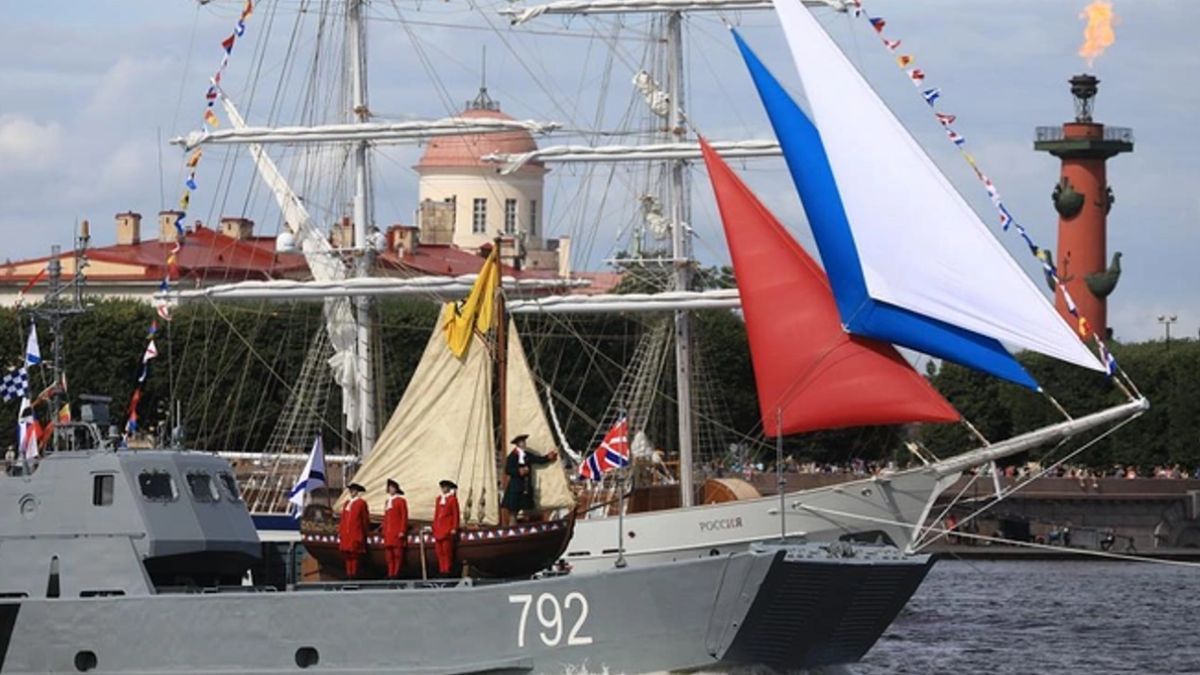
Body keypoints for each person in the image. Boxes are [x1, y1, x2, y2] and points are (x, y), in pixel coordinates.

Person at [500, 434, 559, 525]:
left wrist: (547, 457)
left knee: (527, 510)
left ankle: (526, 527)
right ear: (517, 444)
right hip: (515, 487)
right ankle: (512, 528)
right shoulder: (512, 456)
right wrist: (519, 471)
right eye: (522, 442)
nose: (524, 443)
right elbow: (508, 470)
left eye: (524, 442)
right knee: (513, 512)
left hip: (525, 487)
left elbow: (538, 459)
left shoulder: (527, 455)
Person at [338, 483, 370, 579]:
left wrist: (364, 531)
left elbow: (364, 519)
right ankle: (349, 573)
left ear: (357, 491)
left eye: (354, 490)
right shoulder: (347, 503)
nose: (352, 492)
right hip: (346, 533)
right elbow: (343, 519)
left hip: (355, 532)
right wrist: (340, 531)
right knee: (347, 554)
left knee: (354, 554)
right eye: (351, 490)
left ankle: (354, 573)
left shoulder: (361, 503)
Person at [433, 479, 461, 577]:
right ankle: (442, 570)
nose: (444, 489)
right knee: (439, 552)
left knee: (447, 551)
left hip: (447, 529)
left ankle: (447, 570)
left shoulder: (452, 499)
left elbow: (456, 514)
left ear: (449, 488)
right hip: (438, 530)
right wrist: (434, 526)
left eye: (445, 487)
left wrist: (454, 527)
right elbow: (436, 514)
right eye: (442, 487)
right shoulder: (438, 499)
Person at [382, 479, 408, 579]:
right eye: (389, 488)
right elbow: (386, 518)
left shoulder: (401, 501)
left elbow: (404, 516)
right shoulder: (387, 501)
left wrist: (402, 530)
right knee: (389, 555)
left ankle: (396, 573)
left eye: (392, 488)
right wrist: (384, 530)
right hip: (388, 533)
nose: (391, 489)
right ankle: (390, 573)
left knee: (397, 554)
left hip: (397, 532)